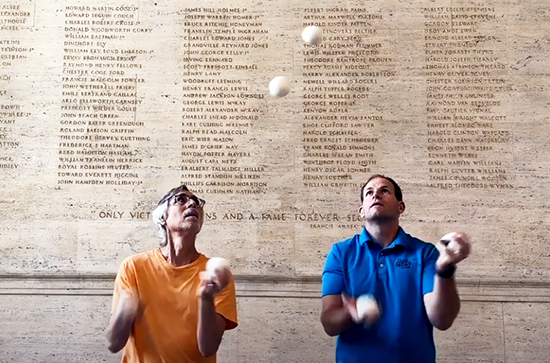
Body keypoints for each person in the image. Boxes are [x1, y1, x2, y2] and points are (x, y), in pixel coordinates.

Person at [320, 174, 471, 363]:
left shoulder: (425, 253)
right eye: (369, 192)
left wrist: (444, 268)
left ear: (401, 206)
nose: (376, 195)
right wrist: (351, 312)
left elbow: (442, 320)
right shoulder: (340, 253)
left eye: (384, 190)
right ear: (361, 211)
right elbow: (329, 323)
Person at [106, 185, 238, 363]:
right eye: (181, 199)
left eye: (197, 202)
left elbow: (208, 348)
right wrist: (125, 309)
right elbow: (114, 343)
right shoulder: (134, 267)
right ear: (163, 218)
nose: (193, 203)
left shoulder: (216, 275)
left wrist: (206, 297)